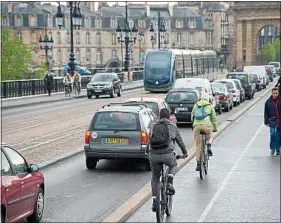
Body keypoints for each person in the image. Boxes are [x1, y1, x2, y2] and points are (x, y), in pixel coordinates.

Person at [146, 108, 188, 212]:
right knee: (173, 165)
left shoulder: (153, 126)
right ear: (169, 117)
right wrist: (185, 152)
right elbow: (180, 141)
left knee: (155, 177)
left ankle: (155, 201)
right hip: (167, 155)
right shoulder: (173, 126)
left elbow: (150, 140)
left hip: (154, 155)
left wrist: (148, 151)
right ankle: (169, 180)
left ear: (159, 116)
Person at [191, 91, 218, 171]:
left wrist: (193, 125)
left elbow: (192, 115)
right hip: (207, 125)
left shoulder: (196, 105)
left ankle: (198, 163)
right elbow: (214, 118)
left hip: (197, 126)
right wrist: (215, 128)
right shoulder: (209, 105)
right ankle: (209, 146)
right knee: (210, 135)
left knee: (198, 145)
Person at [264, 87, 281, 155]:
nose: (275, 94)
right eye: (274, 93)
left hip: (279, 120)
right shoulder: (268, 102)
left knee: (278, 135)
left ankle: (277, 149)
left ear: (278, 93)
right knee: (273, 134)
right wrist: (266, 122)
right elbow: (266, 112)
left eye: (276, 93)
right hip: (272, 120)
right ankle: (273, 149)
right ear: (272, 93)